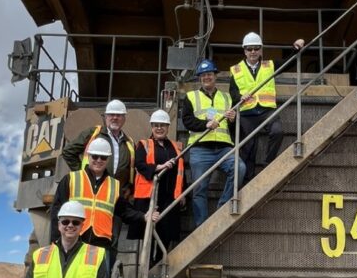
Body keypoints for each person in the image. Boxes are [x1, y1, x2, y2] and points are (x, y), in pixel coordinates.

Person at [50, 138, 148, 259]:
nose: (99, 160)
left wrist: (143, 216)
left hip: (101, 244)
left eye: (103, 157)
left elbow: (124, 211)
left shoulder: (114, 185)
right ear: (89, 156)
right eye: (95, 156)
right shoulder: (71, 179)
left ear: (108, 159)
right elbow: (57, 212)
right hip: (75, 241)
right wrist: (55, 241)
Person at [229, 32, 305, 184]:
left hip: (266, 110)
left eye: (256, 48)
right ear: (244, 51)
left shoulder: (269, 65)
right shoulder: (236, 69)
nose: (253, 52)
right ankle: (247, 182)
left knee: (278, 131)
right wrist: (239, 98)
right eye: (249, 49)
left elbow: (288, 63)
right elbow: (233, 91)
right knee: (248, 148)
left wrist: (296, 48)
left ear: (261, 50)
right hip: (247, 113)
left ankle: (268, 164)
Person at [181, 59, 245, 227]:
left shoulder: (226, 97)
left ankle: (222, 208)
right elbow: (187, 121)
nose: (206, 78)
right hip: (200, 149)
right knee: (199, 189)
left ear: (215, 76)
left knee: (239, 168)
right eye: (203, 75)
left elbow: (231, 126)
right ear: (199, 78)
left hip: (224, 148)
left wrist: (233, 119)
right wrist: (205, 125)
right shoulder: (190, 97)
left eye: (209, 74)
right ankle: (202, 227)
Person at [129, 109, 184, 263]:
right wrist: (159, 167)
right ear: (152, 127)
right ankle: (146, 268)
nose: (159, 128)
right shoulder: (144, 144)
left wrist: (183, 193)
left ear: (168, 127)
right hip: (149, 197)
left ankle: (159, 266)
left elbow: (181, 171)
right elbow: (140, 165)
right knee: (148, 236)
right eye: (156, 125)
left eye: (163, 125)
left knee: (166, 234)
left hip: (170, 197)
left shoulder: (176, 146)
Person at [62, 99, 136, 191]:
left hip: (118, 193)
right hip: (94, 188)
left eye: (119, 115)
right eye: (111, 114)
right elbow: (68, 152)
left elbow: (133, 169)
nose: (115, 118)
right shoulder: (93, 134)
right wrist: (82, 174)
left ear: (124, 118)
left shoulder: (129, 142)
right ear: (106, 117)